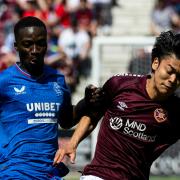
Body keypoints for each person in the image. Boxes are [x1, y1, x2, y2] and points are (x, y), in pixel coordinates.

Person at [54, 30, 180, 180]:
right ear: (155, 63)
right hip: (98, 175)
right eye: (170, 71)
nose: (173, 79)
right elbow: (94, 114)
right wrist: (73, 142)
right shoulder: (120, 84)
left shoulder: (175, 111)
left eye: (179, 76)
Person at [0, 16, 104, 179]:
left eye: (40, 43)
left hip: (49, 172)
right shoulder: (4, 81)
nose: (34, 50)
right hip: (14, 171)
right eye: (27, 44)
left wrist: (86, 102)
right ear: (16, 47)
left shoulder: (57, 79)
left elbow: (66, 120)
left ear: (47, 45)